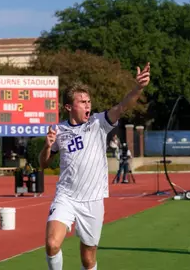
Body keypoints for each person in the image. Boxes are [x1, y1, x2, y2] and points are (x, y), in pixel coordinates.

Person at [39, 63, 151, 270]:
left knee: (88, 259)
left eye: (89, 101)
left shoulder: (99, 123)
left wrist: (138, 88)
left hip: (93, 199)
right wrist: (47, 146)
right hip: (66, 196)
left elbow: (122, 106)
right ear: (68, 107)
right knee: (52, 244)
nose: (87, 105)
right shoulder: (58, 130)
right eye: (82, 102)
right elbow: (43, 163)